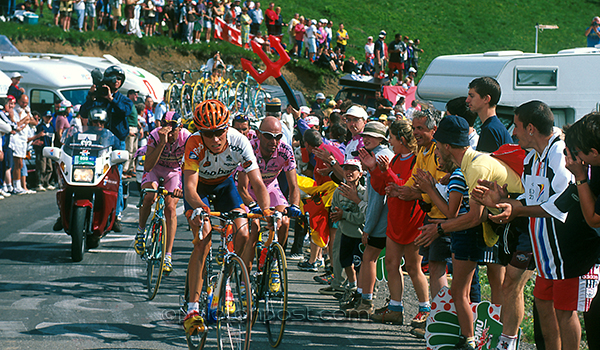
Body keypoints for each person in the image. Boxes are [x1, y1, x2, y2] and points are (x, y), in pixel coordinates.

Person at [475, 102, 600, 350]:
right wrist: (505, 201)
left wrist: (516, 208)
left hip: (568, 251)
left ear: (531, 128)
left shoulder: (559, 153)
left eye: (518, 126)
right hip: (544, 253)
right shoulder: (532, 157)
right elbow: (533, 199)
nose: (514, 132)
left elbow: (562, 202)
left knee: (566, 312)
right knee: (543, 304)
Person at [417, 115, 525, 350]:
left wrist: (439, 228)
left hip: (513, 226)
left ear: (446, 145)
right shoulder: (471, 162)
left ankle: (474, 340)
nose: (435, 148)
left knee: (485, 288)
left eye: (437, 144)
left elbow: (473, 217)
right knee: (500, 286)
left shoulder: (475, 165)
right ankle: (486, 339)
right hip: (503, 226)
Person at [182, 99, 271, 336]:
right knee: (204, 239)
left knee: (243, 232)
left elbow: (257, 183)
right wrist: (200, 209)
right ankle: (192, 309)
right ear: (201, 133)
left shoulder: (240, 142)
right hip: (198, 190)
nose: (215, 139)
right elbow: (190, 189)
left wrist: (267, 210)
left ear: (227, 127)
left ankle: (225, 281)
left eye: (219, 131)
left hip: (224, 186)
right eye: (208, 134)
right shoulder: (193, 144)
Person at [341, 122, 394, 316]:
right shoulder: (380, 154)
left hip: (383, 220)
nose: (366, 139)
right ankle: (368, 300)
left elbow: (377, 200)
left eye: (371, 135)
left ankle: (366, 301)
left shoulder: (379, 158)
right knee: (392, 263)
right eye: (365, 136)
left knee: (369, 258)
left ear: (382, 138)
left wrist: (368, 228)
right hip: (388, 219)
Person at [237, 116, 301, 271]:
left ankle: (274, 262)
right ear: (258, 134)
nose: (273, 141)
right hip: (249, 190)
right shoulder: (248, 148)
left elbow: (293, 186)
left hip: (271, 187)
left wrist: (295, 206)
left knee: (284, 222)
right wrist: (253, 206)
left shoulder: (285, 150)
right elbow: (242, 188)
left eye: (278, 137)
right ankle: (246, 279)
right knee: (254, 229)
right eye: (268, 136)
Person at [135, 112, 191, 273]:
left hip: (174, 172)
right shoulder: (154, 135)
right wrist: (161, 143)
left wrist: (183, 186)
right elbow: (147, 166)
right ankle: (140, 232)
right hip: (155, 169)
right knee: (149, 196)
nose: (170, 134)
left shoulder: (187, 138)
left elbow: (189, 165)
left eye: (173, 131)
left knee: (170, 207)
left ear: (180, 128)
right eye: (166, 129)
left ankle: (168, 255)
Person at [80, 65, 133, 232]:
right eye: (113, 78)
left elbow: (125, 111)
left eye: (119, 79)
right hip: (96, 143)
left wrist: (111, 99)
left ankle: (116, 215)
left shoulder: (123, 99)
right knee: (83, 172)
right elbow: (83, 112)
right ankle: (69, 211)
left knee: (115, 178)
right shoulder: (98, 97)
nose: (116, 81)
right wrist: (91, 96)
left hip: (116, 143)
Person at [563, 112, 600, 350]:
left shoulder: (589, 168)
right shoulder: (596, 164)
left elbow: (594, 218)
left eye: (578, 152)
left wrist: (579, 177)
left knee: (596, 316)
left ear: (594, 152)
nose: (577, 157)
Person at [330, 158, 366, 307]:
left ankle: (361, 291)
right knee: (345, 261)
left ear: (360, 173)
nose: (349, 172)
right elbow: (334, 209)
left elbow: (362, 217)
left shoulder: (363, 193)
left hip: (359, 235)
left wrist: (344, 215)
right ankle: (352, 286)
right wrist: (337, 214)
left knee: (359, 265)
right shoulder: (338, 192)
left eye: (353, 169)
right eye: (346, 169)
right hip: (345, 232)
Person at [467, 76, 512, 153]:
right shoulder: (494, 127)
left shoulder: (490, 130)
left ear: (486, 99)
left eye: (472, 96)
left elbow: (484, 163)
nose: (467, 100)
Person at [10, 94, 33, 195]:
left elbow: (33, 122)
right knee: (17, 163)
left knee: (21, 164)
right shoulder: (14, 111)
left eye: (26, 103)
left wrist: (28, 115)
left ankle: (19, 185)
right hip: (16, 140)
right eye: (23, 102)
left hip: (23, 140)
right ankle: (16, 185)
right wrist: (25, 119)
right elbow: (16, 124)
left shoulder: (25, 111)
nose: (24, 105)